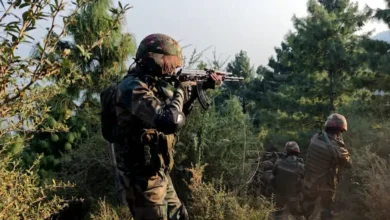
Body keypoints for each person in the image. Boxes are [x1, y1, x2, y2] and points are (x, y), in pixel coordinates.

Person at [112, 33, 222, 220]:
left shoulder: (153, 84)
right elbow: (169, 122)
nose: (172, 68)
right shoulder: (132, 87)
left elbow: (178, 113)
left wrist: (197, 89)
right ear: (153, 59)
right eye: (168, 62)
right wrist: (181, 88)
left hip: (158, 173)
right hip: (143, 181)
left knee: (180, 216)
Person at [301, 113, 352, 220]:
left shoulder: (315, 137)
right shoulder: (337, 148)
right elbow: (348, 164)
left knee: (307, 208)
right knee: (326, 210)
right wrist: (342, 145)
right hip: (324, 186)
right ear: (340, 131)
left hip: (308, 181)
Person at [270, 141, 305, 220]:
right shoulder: (301, 167)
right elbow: (304, 183)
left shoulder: (278, 163)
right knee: (298, 215)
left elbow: (272, 178)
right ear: (297, 151)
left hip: (279, 195)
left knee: (278, 214)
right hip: (294, 197)